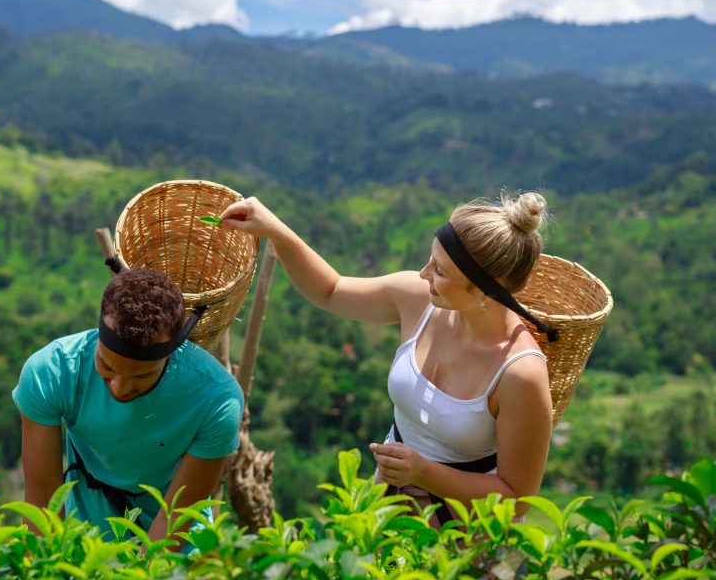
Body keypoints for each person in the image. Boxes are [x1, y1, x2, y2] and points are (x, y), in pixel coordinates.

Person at [220, 192, 554, 527]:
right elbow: (331, 290)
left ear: (484, 290)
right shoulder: (418, 301)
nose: (424, 274)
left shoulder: (520, 373)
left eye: (439, 270)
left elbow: (516, 499)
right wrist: (277, 232)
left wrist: (424, 473)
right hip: (389, 505)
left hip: (467, 531)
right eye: (430, 260)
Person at [13, 267, 243, 549]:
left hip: (178, 542)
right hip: (88, 532)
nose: (119, 388)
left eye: (142, 376)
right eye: (107, 367)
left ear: (169, 357)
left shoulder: (215, 399)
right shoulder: (53, 371)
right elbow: (43, 500)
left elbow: (174, 518)